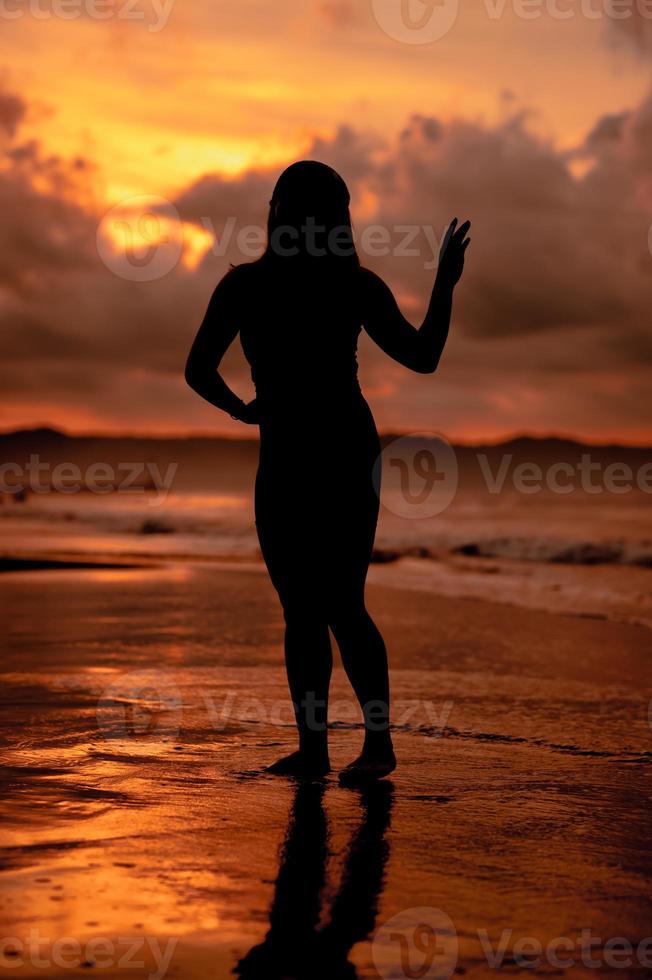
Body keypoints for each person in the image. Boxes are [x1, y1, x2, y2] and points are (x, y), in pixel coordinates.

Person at [185, 160, 470, 783]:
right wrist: (445, 281)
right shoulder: (351, 284)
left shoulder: (249, 286)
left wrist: (246, 410)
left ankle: (350, 749)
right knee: (327, 606)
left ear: (277, 212)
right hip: (334, 448)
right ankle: (348, 748)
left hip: (303, 453)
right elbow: (424, 356)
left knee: (320, 607)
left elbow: (198, 371)